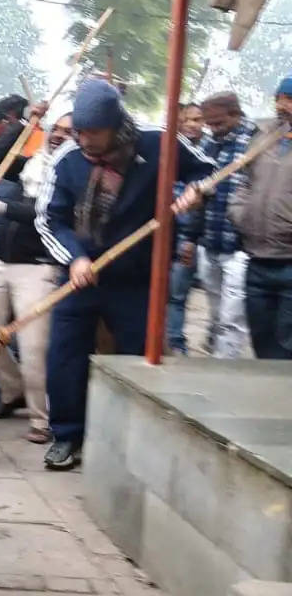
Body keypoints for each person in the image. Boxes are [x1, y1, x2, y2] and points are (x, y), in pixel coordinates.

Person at [36, 78, 213, 471]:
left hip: (137, 276)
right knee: (65, 354)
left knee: (138, 356)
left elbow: (209, 169)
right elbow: (50, 220)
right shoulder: (67, 159)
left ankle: (135, 436)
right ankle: (66, 435)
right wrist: (75, 259)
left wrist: (197, 190)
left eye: (93, 133)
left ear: (116, 125)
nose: (84, 140)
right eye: (79, 131)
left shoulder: (157, 143)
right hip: (83, 274)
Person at [0, 112, 65, 443]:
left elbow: (46, 214)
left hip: (40, 266)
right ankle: (12, 390)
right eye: (56, 130)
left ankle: (43, 418)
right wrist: (26, 124)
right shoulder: (34, 161)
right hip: (2, 262)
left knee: (34, 345)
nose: (59, 136)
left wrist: (2, 208)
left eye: (69, 132)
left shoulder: (74, 169)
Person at [226, 76, 292, 359]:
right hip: (257, 258)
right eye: (279, 99)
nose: (282, 106)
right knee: (261, 342)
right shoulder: (263, 135)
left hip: (290, 259)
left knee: (286, 347)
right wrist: (240, 214)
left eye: (288, 99)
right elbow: (244, 182)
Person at [193, 92, 257, 358]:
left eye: (217, 123)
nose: (211, 128)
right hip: (210, 243)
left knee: (232, 319)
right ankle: (218, 357)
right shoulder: (209, 144)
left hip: (240, 247)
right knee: (218, 313)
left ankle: (223, 370)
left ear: (235, 114)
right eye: (208, 123)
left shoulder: (255, 142)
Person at [167, 105, 204, 355]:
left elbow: (200, 209)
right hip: (162, 237)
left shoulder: (203, 159)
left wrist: (190, 239)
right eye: (187, 120)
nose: (192, 124)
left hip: (185, 238)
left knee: (177, 298)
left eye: (197, 119)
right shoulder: (167, 152)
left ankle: (176, 345)